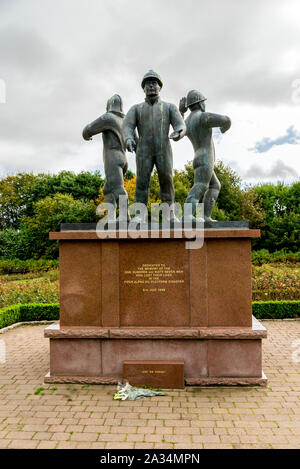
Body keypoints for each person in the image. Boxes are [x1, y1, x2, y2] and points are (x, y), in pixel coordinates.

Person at [123, 70, 186, 222]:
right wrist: (128, 139)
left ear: (160, 87)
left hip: (163, 147)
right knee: (142, 182)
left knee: (167, 180)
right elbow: (127, 127)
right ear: (143, 88)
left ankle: (169, 214)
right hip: (143, 149)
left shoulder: (169, 107)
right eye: (148, 84)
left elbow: (181, 125)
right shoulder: (136, 109)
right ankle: (140, 215)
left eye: (154, 83)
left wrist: (179, 132)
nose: (151, 86)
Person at [179, 90, 231, 222]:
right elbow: (226, 120)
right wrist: (224, 128)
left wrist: (181, 112)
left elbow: (178, 129)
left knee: (215, 186)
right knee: (200, 185)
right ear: (200, 103)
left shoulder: (187, 121)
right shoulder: (203, 117)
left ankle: (205, 216)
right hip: (206, 159)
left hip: (198, 157)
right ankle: (187, 215)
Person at [82, 94, 129, 221]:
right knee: (108, 188)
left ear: (108, 106)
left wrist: (86, 135)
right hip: (123, 158)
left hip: (112, 157)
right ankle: (111, 216)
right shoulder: (125, 121)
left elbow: (89, 129)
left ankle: (125, 216)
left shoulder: (108, 117)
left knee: (118, 187)